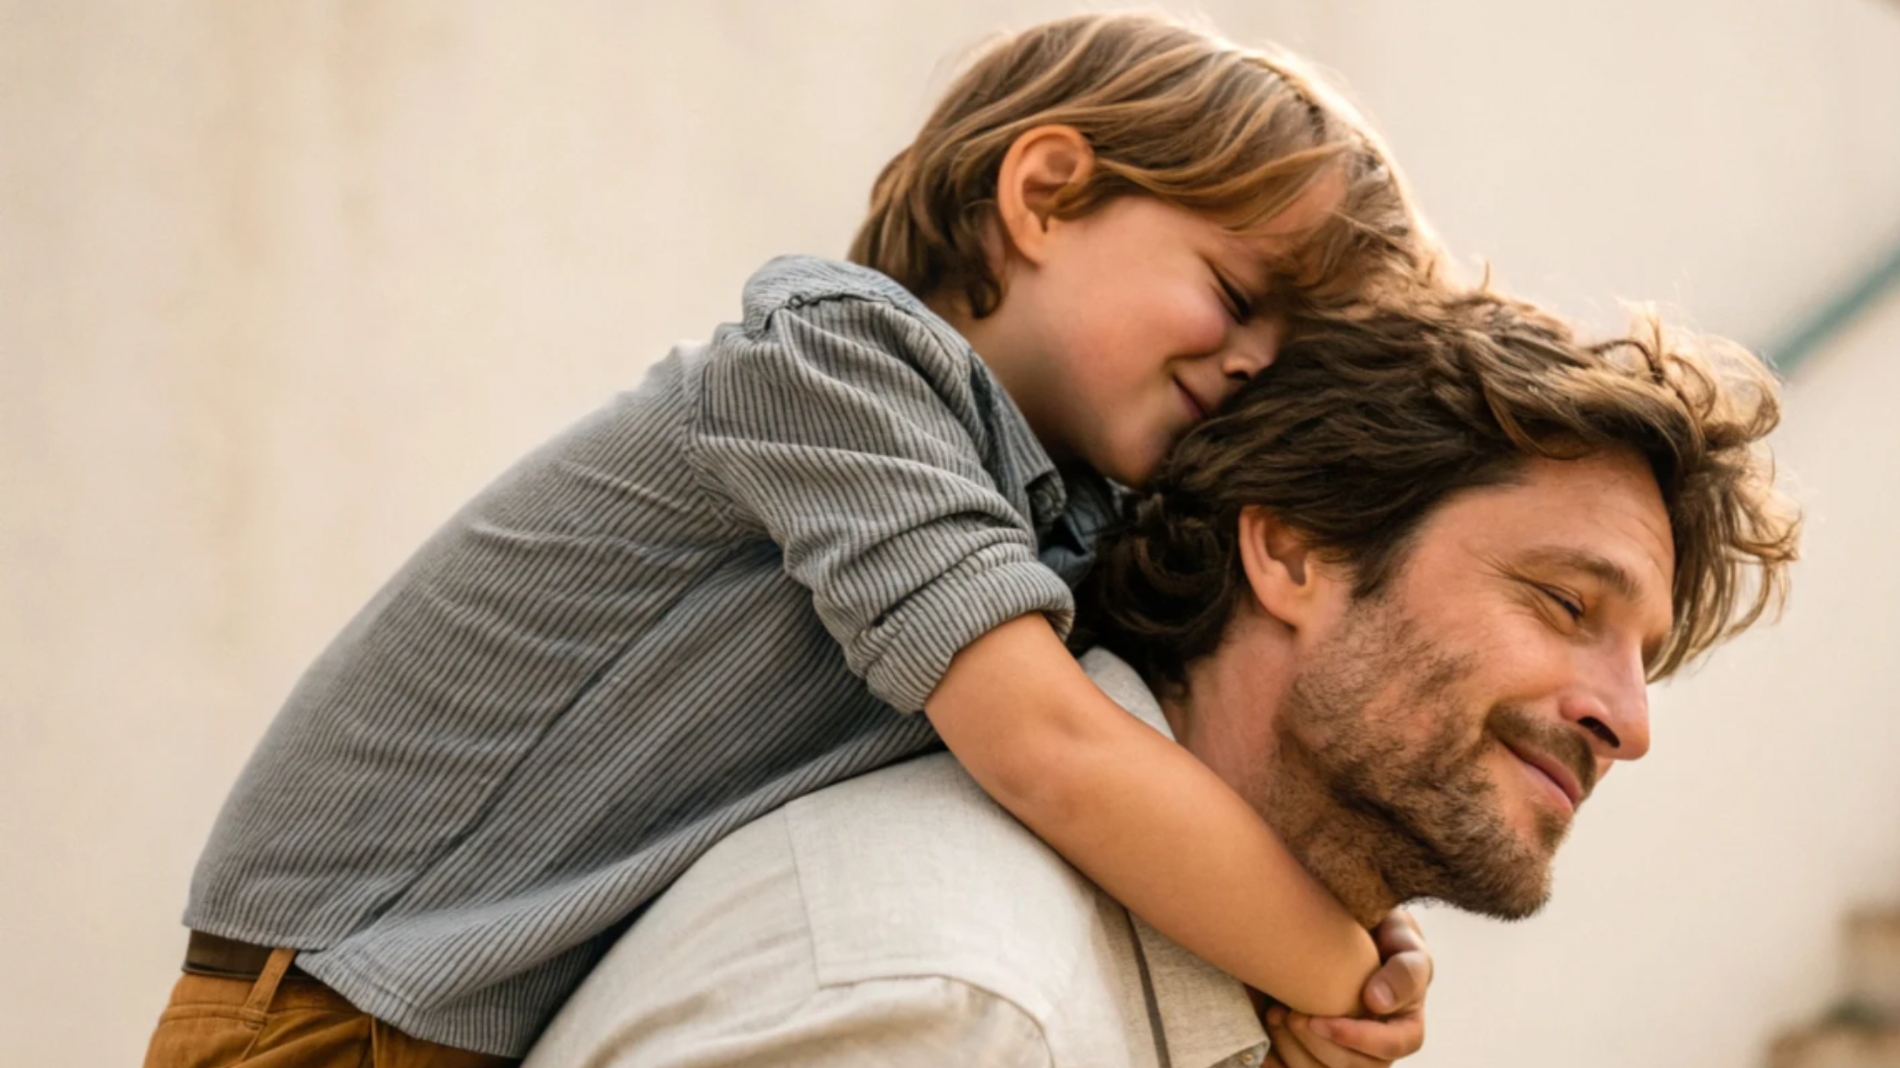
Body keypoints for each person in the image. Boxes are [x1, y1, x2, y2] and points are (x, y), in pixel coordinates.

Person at [142, 13, 1445, 1067]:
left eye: (1294, 356)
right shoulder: (835, 363)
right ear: (1047, 193)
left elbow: (1165, 749)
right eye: (1237, 294)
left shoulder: (1066, 505)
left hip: (464, 1011)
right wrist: (1335, 970)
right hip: (335, 1005)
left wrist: (1331, 925)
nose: (1254, 364)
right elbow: (1057, 753)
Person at [522, 292, 1799, 1068]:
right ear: (1293, 549)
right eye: (1565, 605)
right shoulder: (953, 1009)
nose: (1624, 724)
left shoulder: (1233, 1000)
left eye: (1645, 664)